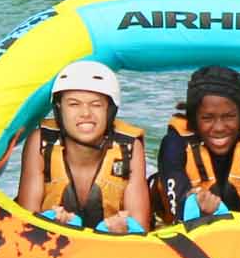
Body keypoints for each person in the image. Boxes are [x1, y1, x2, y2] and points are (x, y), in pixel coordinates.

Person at [15, 61, 151, 232]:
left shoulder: (129, 148)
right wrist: (52, 226)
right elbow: (26, 221)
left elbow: (140, 228)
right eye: (73, 104)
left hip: (112, 246)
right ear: (59, 108)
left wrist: (122, 231)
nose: (86, 113)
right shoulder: (41, 142)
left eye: (96, 104)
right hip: (51, 244)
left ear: (109, 110)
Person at [156, 65, 240, 224]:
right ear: (194, 117)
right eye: (207, 118)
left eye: (229, 116)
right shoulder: (174, 144)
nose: (219, 128)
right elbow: (177, 212)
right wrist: (196, 208)